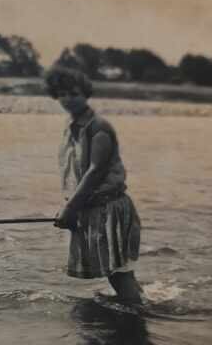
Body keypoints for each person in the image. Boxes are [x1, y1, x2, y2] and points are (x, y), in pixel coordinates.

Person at [48, 66, 145, 302]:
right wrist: (72, 206)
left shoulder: (98, 127)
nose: (68, 99)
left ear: (86, 94)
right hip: (90, 207)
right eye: (62, 94)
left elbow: (95, 171)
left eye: (74, 93)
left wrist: (70, 208)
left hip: (109, 208)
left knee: (120, 273)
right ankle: (136, 306)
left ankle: (137, 318)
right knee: (116, 272)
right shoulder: (71, 127)